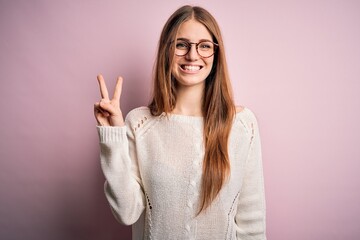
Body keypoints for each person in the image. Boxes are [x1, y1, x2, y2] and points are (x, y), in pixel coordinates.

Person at [94, 5, 266, 240]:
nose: (193, 55)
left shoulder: (243, 125)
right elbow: (126, 212)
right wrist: (112, 135)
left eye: (204, 46)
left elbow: (252, 225)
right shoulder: (139, 123)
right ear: (167, 50)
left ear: (216, 55)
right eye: (181, 44)